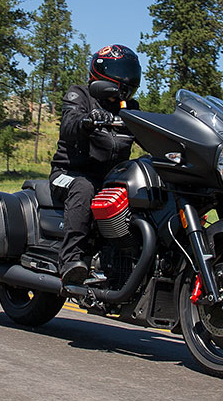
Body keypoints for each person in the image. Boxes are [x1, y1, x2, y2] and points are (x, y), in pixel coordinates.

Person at [50, 44, 141, 284]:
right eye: (121, 71)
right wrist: (87, 120)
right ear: (103, 73)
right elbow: (69, 125)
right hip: (67, 173)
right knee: (84, 188)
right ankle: (71, 261)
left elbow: (149, 134)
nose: (127, 79)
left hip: (110, 181)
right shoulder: (79, 95)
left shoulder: (130, 109)